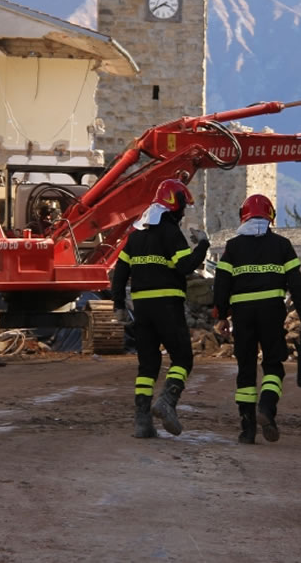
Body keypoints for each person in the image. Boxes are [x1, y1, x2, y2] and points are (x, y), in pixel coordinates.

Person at [212, 194, 301, 444]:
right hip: (271, 312)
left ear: (243, 216)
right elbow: (297, 285)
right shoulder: (282, 245)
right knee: (272, 365)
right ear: (271, 217)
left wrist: (221, 316)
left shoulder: (233, 247)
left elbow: (221, 285)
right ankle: (266, 409)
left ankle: (247, 430)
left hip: (242, 314)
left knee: (245, 368)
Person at [112, 179, 209, 438]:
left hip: (142, 308)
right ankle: (167, 401)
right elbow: (185, 266)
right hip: (167, 305)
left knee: (147, 366)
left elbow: (119, 272)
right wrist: (202, 245)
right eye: (182, 208)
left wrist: (119, 304)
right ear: (173, 205)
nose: (183, 213)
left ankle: (142, 422)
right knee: (182, 359)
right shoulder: (169, 233)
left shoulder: (135, 236)